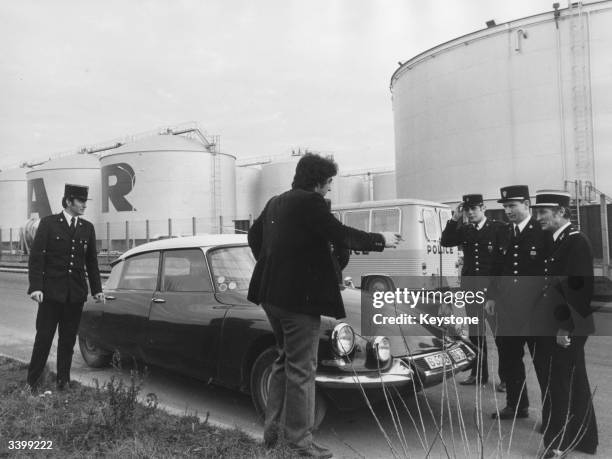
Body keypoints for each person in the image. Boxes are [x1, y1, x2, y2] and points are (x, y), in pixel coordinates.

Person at [247, 153, 400, 458]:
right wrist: (380, 238)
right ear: (319, 181)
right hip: (297, 303)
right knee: (303, 369)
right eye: (329, 182)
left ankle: (273, 434)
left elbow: (254, 238)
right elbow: (340, 234)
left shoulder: (276, 201)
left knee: (283, 361)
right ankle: (299, 444)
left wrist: (275, 267)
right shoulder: (310, 202)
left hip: (270, 297)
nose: (330, 188)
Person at [531, 190, 598, 457]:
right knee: (575, 381)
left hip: (568, 325)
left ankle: (557, 445)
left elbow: (580, 288)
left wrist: (565, 327)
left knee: (559, 383)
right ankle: (584, 440)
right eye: (536, 212)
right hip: (560, 322)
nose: (538, 217)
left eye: (543, 213)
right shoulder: (558, 240)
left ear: (561, 213)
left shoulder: (576, 241)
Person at [26, 184, 104, 391]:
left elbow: (91, 262)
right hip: (50, 295)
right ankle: (32, 383)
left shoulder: (87, 228)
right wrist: (36, 287)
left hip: (75, 296)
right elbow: (37, 258)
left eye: (85, 201)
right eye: (80, 201)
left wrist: (97, 289)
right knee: (43, 339)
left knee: (68, 341)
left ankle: (63, 381)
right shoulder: (49, 224)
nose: (84, 205)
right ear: (68, 201)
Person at [485, 185, 551, 420]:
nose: (508, 211)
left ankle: (551, 415)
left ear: (526, 204)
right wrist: (491, 296)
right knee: (510, 358)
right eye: (505, 206)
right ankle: (516, 404)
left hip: (535, 310)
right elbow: (496, 267)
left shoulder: (543, 231)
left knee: (543, 363)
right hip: (507, 309)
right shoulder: (503, 232)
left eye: (512, 205)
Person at [441, 193, 507, 387]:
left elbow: (501, 263)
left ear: (483, 208)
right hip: (471, 291)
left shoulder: (498, 228)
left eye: (474, 209)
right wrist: (454, 218)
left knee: (500, 336)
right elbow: (445, 241)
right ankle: (479, 374)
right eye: (467, 209)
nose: (470, 213)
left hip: (492, 292)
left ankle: (506, 378)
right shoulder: (465, 230)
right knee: (476, 335)